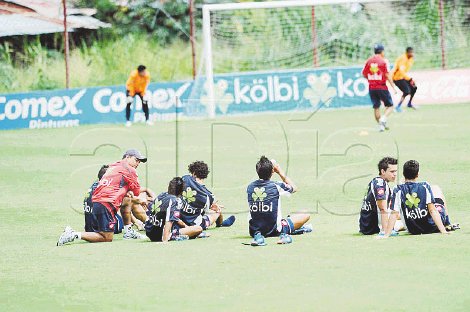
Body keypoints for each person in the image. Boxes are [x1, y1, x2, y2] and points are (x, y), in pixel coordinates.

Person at [57, 149, 148, 246]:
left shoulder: (114, 166)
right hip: (106, 203)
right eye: (136, 160)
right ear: (127, 157)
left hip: (97, 201)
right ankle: (73, 234)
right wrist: (133, 193)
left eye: (139, 161)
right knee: (106, 237)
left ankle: (128, 231)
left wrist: (126, 191)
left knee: (127, 200)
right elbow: (136, 192)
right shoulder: (130, 170)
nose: (138, 163)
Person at [381, 160, 459, 237]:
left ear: (404, 175)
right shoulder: (425, 186)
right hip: (431, 227)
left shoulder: (398, 189)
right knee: (436, 189)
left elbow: (394, 214)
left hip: (412, 229)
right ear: (417, 175)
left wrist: (386, 235)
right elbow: (432, 210)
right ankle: (447, 223)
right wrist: (443, 231)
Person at [247, 156, 311, 246]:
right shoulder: (276, 186)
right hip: (275, 230)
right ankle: (289, 227)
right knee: (306, 214)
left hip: (254, 230)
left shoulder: (250, 187)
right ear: (272, 172)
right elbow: (294, 188)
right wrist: (280, 171)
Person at [180, 161, 236, 237]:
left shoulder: (185, 178)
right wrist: (214, 206)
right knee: (217, 211)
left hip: (179, 219)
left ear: (193, 173)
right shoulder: (209, 196)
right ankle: (221, 224)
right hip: (195, 224)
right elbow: (212, 207)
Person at [145, 177, 203, 242]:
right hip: (159, 234)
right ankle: (172, 236)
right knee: (198, 229)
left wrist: (186, 227)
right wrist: (165, 240)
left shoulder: (162, 195)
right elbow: (169, 221)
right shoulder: (174, 201)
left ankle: (174, 234)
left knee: (183, 226)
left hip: (149, 231)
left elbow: (174, 218)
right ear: (181, 191)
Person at [362, 43, 397, 132]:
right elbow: (387, 75)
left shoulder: (368, 61)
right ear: (382, 51)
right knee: (390, 106)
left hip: (372, 88)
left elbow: (364, 74)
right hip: (381, 87)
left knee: (376, 107)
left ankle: (381, 126)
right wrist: (393, 87)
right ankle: (383, 119)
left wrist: (371, 79)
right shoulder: (383, 61)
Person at [359, 157, 398, 235]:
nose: (395, 174)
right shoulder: (380, 184)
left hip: (366, 225)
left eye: (395, 171)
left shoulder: (376, 181)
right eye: (392, 171)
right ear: (383, 171)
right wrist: (385, 231)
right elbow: (383, 209)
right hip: (373, 228)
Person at [392, 47, 417, 112]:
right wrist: (409, 79)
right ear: (407, 52)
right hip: (397, 78)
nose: (412, 54)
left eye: (412, 52)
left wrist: (409, 79)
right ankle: (398, 107)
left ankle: (409, 103)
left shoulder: (411, 59)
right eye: (411, 52)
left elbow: (405, 71)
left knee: (414, 87)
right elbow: (401, 71)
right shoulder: (402, 59)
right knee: (406, 91)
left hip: (403, 77)